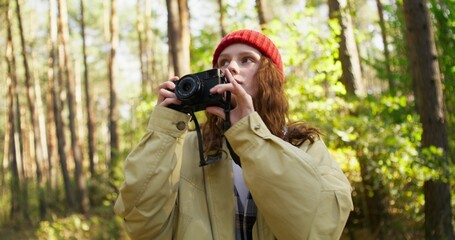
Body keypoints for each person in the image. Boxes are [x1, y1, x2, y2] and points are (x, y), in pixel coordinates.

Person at [114, 29, 353, 240]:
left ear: (269, 77)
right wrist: (165, 129)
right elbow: (142, 227)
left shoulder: (305, 145)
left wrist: (250, 135)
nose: (230, 68)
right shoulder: (187, 147)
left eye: (247, 59)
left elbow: (320, 230)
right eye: (222, 62)